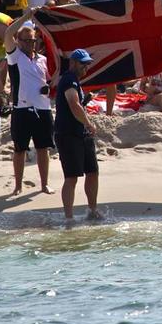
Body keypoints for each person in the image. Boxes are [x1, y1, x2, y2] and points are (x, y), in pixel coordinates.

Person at [4, 9, 54, 196]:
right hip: (22, 109)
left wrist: (48, 88)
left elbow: (50, 81)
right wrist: (26, 17)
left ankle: (44, 184)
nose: (30, 44)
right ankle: (18, 185)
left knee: (43, 148)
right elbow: (8, 33)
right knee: (20, 149)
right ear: (19, 41)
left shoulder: (43, 60)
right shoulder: (15, 56)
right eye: (26, 40)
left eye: (33, 40)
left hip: (43, 108)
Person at [54, 48, 102, 221]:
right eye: (83, 64)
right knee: (72, 177)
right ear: (73, 63)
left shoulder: (75, 81)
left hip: (81, 133)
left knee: (92, 172)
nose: (85, 68)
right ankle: (69, 218)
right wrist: (89, 123)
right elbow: (74, 105)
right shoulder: (68, 79)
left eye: (87, 64)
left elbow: (76, 104)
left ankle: (92, 210)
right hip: (68, 134)